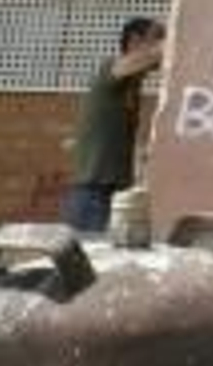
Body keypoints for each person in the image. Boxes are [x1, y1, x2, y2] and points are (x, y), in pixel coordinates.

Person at [63, 16, 165, 233]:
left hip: (114, 192)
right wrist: (180, 36)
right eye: (157, 37)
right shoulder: (111, 67)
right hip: (92, 194)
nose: (162, 43)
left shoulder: (133, 87)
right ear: (135, 41)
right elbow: (147, 57)